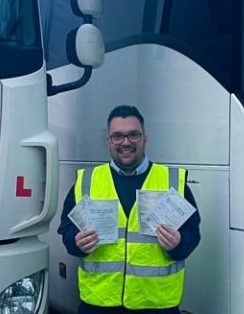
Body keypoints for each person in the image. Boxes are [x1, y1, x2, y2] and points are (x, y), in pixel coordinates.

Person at [57, 105, 201, 314]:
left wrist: (179, 244)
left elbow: (192, 234)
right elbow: (66, 229)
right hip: (99, 305)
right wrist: (75, 242)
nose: (126, 142)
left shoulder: (172, 181)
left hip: (156, 306)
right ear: (109, 141)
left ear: (144, 139)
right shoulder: (87, 181)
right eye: (117, 136)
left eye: (133, 135)